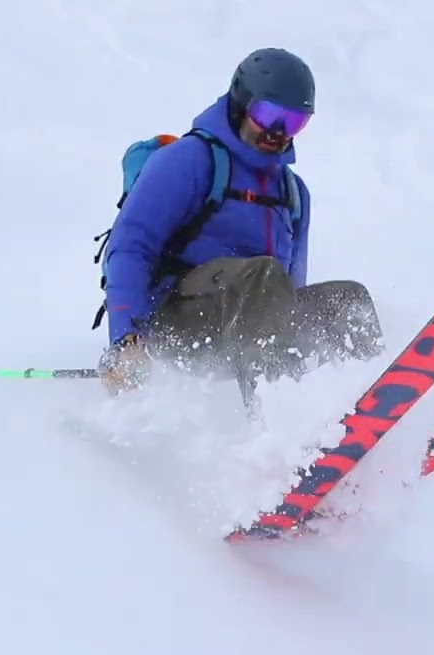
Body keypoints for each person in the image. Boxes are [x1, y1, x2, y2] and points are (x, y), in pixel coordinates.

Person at [96, 47, 383, 398]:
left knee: (347, 300)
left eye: (294, 122)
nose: (278, 131)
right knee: (262, 276)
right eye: (269, 115)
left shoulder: (293, 194)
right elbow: (129, 246)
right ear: (242, 102)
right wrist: (127, 338)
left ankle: (375, 406)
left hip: (250, 326)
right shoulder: (189, 160)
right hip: (175, 323)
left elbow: (289, 291)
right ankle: (282, 417)